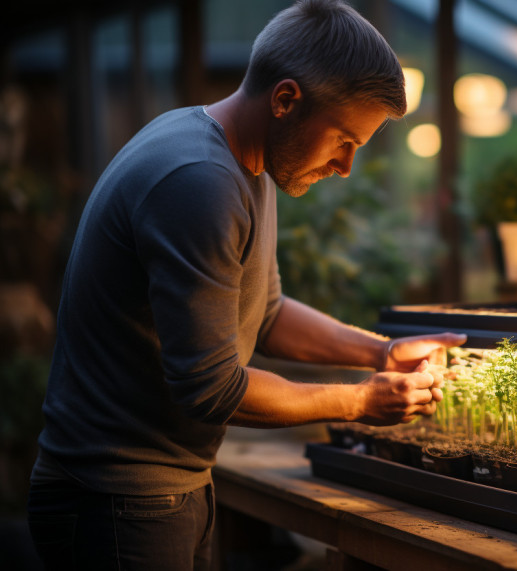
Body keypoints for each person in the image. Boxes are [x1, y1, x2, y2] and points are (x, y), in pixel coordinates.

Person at [26, 1, 466, 569]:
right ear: (285, 100)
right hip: (116, 497)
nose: (346, 166)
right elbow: (210, 389)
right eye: (342, 140)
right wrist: (359, 401)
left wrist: (379, 352)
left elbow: (269, 313)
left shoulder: (241, 163)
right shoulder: (200, 182)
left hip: (159, 488)